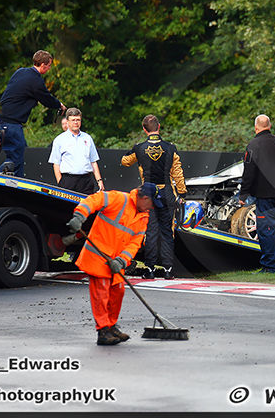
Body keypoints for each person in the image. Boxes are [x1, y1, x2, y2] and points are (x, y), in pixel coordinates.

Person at [65, 184, 154, 345]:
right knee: (101, 293)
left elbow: (135, 243)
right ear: (145, 198)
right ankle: (103, 331)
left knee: (117, 292)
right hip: (98, 256)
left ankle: (111, 326)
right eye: (152, 204)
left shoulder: (143, 217)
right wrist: (79, 215)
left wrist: (122, 260)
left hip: (116, 261)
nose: (152, 208)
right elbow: (94, 200)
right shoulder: (119, 199)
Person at [121, 115, 187, 280]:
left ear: (144, 130)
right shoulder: (170, 147)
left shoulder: (139, 147)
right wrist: (182, 192)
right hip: (166, 193)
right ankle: (168, 270)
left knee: (150, 232)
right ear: (159, 126)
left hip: (147, 196)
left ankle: (149, 269)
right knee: (166, 232)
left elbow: (125, 161)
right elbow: (177, 172)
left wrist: (135, 153)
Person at [0, 50, 66, 176]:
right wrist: (58, 105)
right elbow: (46, 98)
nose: (49, 68)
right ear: (43, 65)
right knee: (15, 160)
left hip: (0, 122)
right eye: (49, 65)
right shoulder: (35, 81)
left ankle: (10, 183)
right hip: (11, 124)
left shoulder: (20, 72)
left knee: (19, 155)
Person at [239, 114, 275, 273]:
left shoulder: (254, 144)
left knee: (266, 230)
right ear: (269, 126)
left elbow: (249, 171)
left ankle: (269, 266)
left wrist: (244, 194)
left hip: (265, 195)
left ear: (256, 128)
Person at [48, 108, 104, 195]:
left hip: (86, 181)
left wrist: (99, 181)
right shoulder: (60, 139)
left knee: (87, 207)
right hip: (68, 180)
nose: (76, 122)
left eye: (78, 120)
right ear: (67, 121)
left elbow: (93, 161)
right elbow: (56, 164)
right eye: (73, 120)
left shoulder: (87, 138)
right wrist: (60, 183)